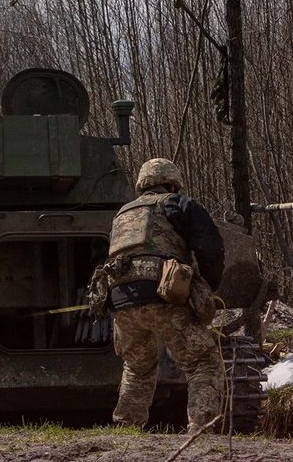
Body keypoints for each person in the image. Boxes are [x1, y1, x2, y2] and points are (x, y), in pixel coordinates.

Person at [107, 158, 225, 432]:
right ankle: (201, 430)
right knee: (202, 363)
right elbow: (210, 248)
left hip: (122, 300)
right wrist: (207, 286)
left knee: (138, 368)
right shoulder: (179, 204)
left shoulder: (122, 213)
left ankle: (126, 431)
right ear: (172, 184)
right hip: (165, 294)